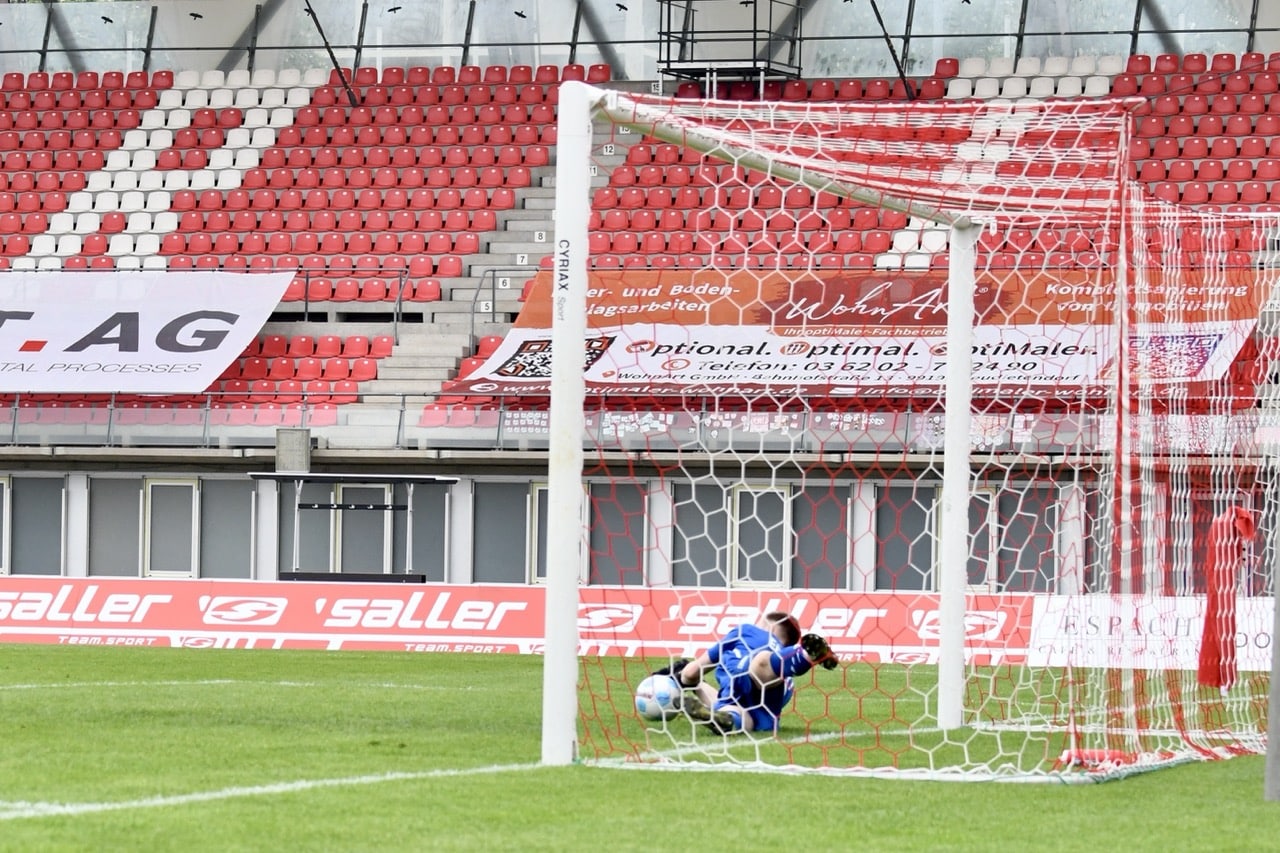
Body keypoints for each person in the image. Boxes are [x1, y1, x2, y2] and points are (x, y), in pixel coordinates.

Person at [654, 611, 838, 735]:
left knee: (758, 664)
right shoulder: (789, 679)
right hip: (768, 705)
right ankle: (806, 656)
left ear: (769, 625)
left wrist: (680, 678)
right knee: (746, 712)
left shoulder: (747, 631)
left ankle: (727, 718)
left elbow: (691, 673)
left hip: (743, 676)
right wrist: (697, 685)